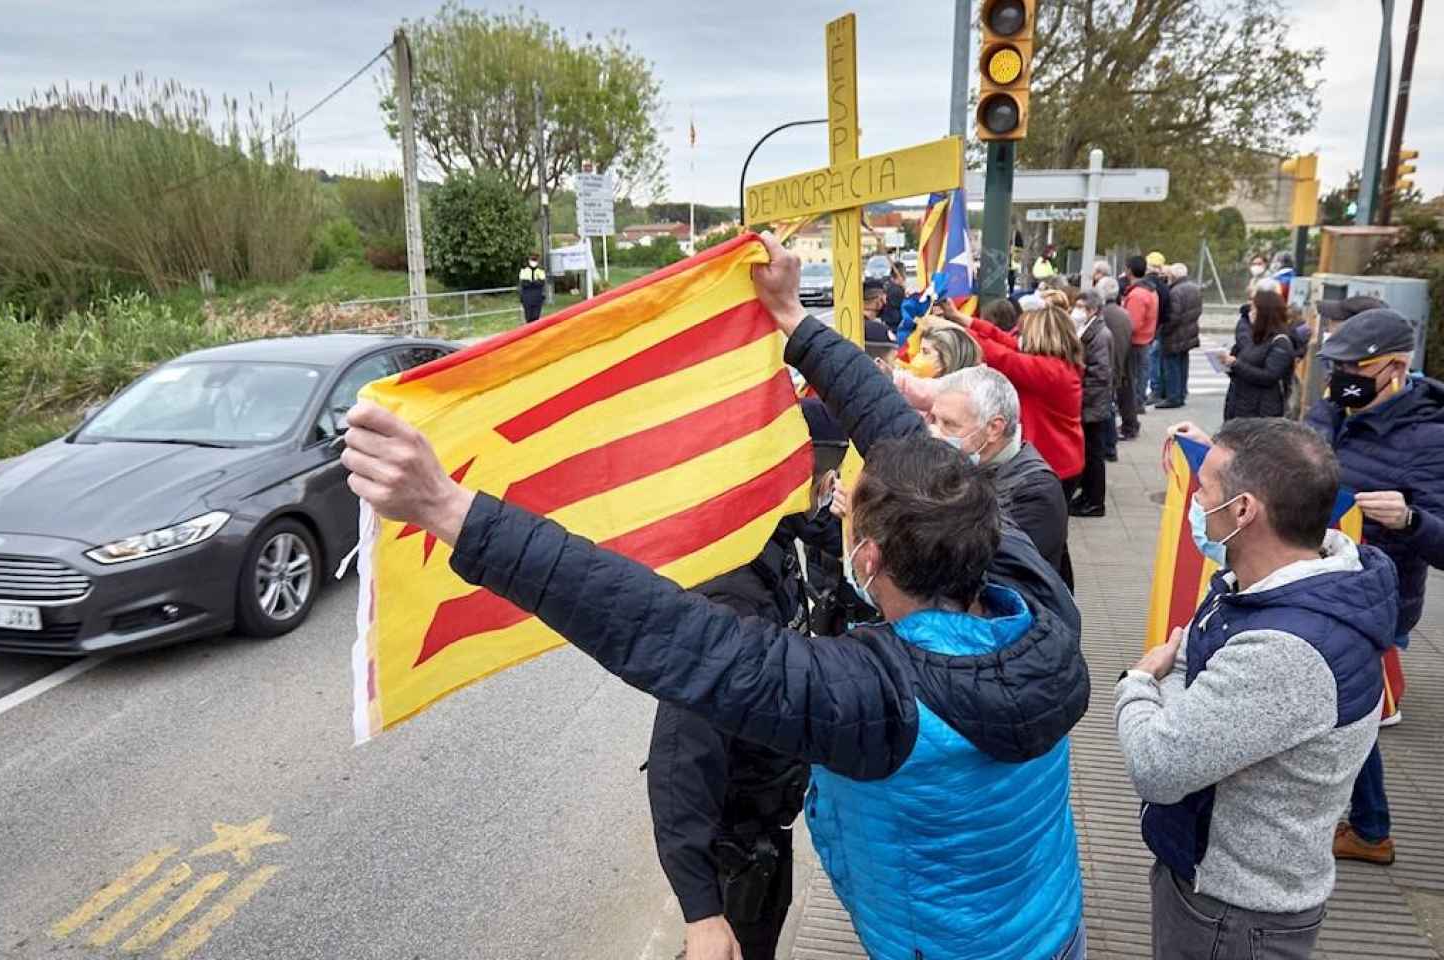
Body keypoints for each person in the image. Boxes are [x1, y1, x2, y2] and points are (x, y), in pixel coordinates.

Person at [343, 233, 1092, 960]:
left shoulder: (877, 701)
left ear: (868, 556)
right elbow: (911, 447)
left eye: (850, 501)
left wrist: (450, 509)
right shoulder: (1036, 600)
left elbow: (661, 630)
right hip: (1051, 924)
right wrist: (795, 322)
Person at [1119, 417, 1398, 960]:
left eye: (1205, 490)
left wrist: (1138, 683)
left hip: (1232, 914)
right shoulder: (1269, 588)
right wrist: (1178, 686)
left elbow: (1157, 764)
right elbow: (1196, 678)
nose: (1195, 503)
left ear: (1243, 510)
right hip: (1225, 886)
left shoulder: (1285, 649)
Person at [1306, 308, 1444, 865]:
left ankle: (1369, 827)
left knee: (1346, 706)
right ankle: (1367, 824)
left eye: (1355, 367)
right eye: (1336, 366)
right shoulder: (1333, 409)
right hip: (1317, 580)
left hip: (1373, 597)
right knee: (1343, 705)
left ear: (1396, 368)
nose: (1340, 379)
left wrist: (1412, 520)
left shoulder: (1433, 440)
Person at [646, 529, 810, 960]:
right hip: (740, 844)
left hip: (774, 813)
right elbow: (677, 759)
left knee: (768, 925)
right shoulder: (729, 602)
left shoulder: (777, 537)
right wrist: (702, 914)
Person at [927, 365, 1070, 582]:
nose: (935, 433)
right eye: (933, 420)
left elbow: (994, 574)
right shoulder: (966, 464)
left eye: (949, 424)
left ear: (994, 428)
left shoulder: (1035, 491)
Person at [959, 295, 1085, 485]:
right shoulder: (1058, 365)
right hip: (1061, 460)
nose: (1020, 337)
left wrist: (956, 331)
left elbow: (1002, 356)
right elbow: (1003, 341)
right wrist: (962, 319)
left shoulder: (1049, 371)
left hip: (1052, 465)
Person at [1069, 290, 1114, 518]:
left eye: (1081, 307)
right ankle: (1087, 496)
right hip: (1090, 403)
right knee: (1088, 453)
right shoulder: (1089, 331)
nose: (1077, 311)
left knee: (1094, 454)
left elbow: (1099, 374)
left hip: (1093, 405)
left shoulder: (1100, 335)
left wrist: (1079, 395)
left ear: (1093, 310)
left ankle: (1094, 501)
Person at [1222, 290, 1296, 421]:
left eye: (1254, 308)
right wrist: (1228, 364)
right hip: (1240, 405)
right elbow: (1243, 366)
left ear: (1264, 312)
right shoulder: (1256, 338)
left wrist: (1236, 364)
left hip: (1260, 411)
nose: (1250, 313)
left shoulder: (1280, 342)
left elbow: (1269, 376)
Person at [1120, 256, 1158, 440]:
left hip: (1135, 341)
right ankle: (1137, 406)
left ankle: (1132, 413)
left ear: (1128, 270)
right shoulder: (1150, 291)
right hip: (1146, 339)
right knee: (1140, 376)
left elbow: (1132, 323)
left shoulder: (1137, 295)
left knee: (1131, 380)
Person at [1097, 278, 1133, 463]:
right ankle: (1110, 446)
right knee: (1109, 406)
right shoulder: (1124, 314)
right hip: (1118, 366)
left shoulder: (1103, 316)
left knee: (1106, 408)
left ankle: (1109, 447)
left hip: (1108, 368)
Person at [1157, 263, 1202, 409]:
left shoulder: (1175, 291)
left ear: (1174, 276)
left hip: (1175, 335)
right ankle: (1181, 393)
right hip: (1189, 332)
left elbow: (1173, 316)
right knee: (1183, 364)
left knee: (1172, 366)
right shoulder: (1195, 288)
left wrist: (1163, 330)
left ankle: (1173, 397)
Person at [1143, 252, 1173, 403]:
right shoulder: (1165, 287)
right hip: (1159, 327)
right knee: (1156, 359)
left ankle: (1154, 390)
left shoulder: (1145, 285)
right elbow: (1167, 310)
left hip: (1147, 328)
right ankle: (1159, 389)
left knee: (1150, 360)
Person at [518, 253, 547, 323]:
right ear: (529, 260)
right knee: (528, 317)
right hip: (527, 296)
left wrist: (532, 283)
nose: (533, 261)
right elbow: (524, 283)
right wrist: (535, 282)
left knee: (536, 317)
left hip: (537, 296)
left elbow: (542, 283)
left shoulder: (541, 270)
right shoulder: (524, 269)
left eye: (535, 260)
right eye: (532, 259)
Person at [880, 261, 906, 330]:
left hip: (888, 320)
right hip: (896, 324)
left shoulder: (888, 285)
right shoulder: (896, 290)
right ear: (901, 275)